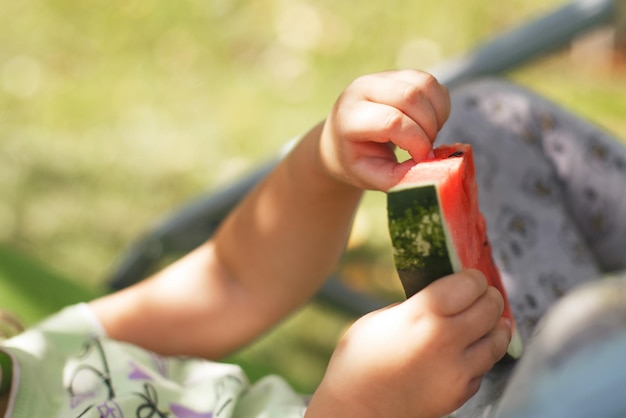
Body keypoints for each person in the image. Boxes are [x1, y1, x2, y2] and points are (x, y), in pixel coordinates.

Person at [0, 69, 513, 418]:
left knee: (501, 120)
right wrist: (359, 408)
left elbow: (236, 281)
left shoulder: (50, 354)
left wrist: (325, 162)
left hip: (472, 377)